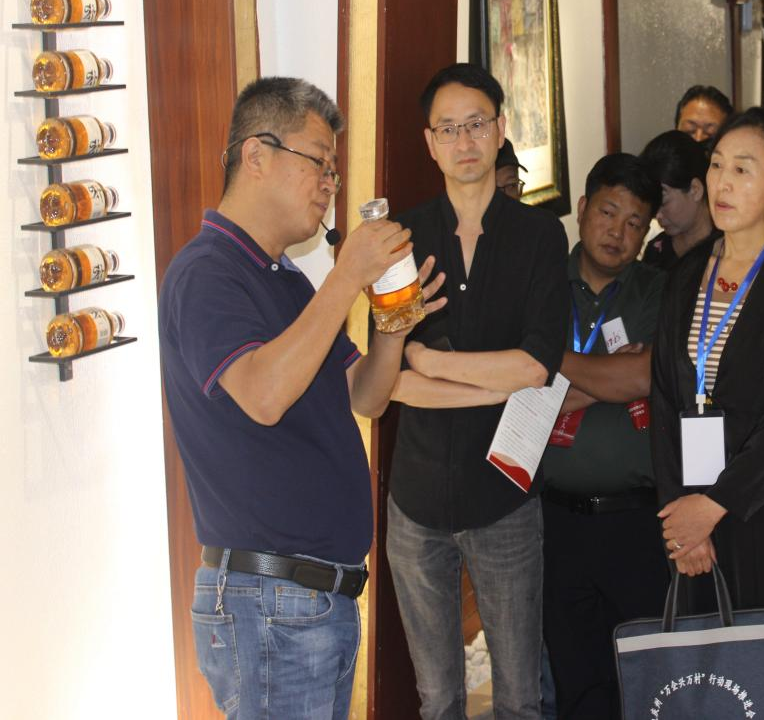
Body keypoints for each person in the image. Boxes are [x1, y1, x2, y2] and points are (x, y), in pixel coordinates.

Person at [159, 77, 444, 720]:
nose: (329, 185)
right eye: (320, 162)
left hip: (307, 601)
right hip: (269, 600)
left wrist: (393, 323)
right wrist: (345, 277)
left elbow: (366, 395)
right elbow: (262, 395)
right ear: (256, 155)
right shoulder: (207, 272)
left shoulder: (285, 278)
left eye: (333, 171)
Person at [386, 63, 569, 720]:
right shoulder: (401, 240)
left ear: (499, 130)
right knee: (438, 699)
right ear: (429, 142)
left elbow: (535, 368)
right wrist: (459, 374)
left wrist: (433, 361)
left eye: (476, 125)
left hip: (503, 495)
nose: (463, 141)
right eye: (448, 129)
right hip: (416, 498)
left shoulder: (540, 236)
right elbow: (393, 381)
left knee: (519, 696)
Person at [650, 107, 764, 693]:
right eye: (716, 166)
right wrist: (682, 518)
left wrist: (716, 505)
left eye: (743, 169)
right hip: (690, 519)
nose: (722, 183)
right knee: (700, 687)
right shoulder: (686, 275)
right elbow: (664, 401)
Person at [541, 153, 669, 719]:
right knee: (576, 682)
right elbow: (516, 386)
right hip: (554, 520)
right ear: (581, 208)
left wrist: (549, 361)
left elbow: (643, 376)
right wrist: (609, 378)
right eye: (608, 212)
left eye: (635, 222)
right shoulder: (541, 283)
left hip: (638, 521)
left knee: (648, 682)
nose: (618, 232)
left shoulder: (659, 290)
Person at [639, 130, 716, 271]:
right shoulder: (656, 252)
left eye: (663, 203)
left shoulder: (727, 250)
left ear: (695, 190)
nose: (657, 215)